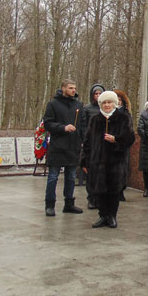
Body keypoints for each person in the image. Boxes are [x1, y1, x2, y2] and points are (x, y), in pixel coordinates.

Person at [81, 91, 136, 228]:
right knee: (99, 191)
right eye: (104, 103)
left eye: (109, 102)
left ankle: (112, 216)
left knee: (113, 190)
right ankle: (102, 215)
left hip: (115, 161)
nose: (107, 105)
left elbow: (130, 138)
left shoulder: (123, 118)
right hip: (97, 162)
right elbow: (87, 142)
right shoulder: (95, 119)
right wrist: (85, 160)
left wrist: (116, 139)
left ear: (115, 103)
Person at [43, 79, 84, 217]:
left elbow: (82, 125)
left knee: (71, 177)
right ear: (63, 88)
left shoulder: (78, 105)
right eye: (71, 88)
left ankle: (69, 203)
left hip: (73, 146)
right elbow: (47, 123)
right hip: (58, 146)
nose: (74, 90)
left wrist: (82, 140)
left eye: (75, 88)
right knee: (53, 177)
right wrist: (63, 128)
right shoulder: (53, 104)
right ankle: (50, 204)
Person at [79, 84, 106, 207]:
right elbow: (83, 126)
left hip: (105, 144)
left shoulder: (107, 108)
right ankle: (91, 198)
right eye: (96, 93)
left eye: (100, 93)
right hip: (92, 143)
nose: (98, 96)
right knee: (91, 172)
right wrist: (84, 140)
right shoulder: (87, 109)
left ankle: (101, 198)